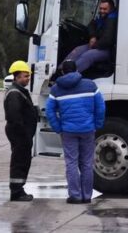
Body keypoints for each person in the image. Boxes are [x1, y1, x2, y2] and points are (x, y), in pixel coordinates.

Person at [46, 59, 106, 204]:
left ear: (63, 71)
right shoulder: (90, 85)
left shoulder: (56, 89)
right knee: (86, 163)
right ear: (77, 70)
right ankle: (86, 196)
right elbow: (101, 106)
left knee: (71, 163)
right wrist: (97, 124)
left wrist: (58, 127)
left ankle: (75, 196)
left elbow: (49, 111)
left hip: (68, 131)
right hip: (87, 130)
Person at [4, 60, 39, 202]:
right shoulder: (14, 93)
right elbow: (14, 116)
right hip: (19, 133)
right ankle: (17, 192)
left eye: (28, 76)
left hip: (22, 133)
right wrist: (24, 134)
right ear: (16, 77)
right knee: (19, 162)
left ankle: (19, 189)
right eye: (25, 76)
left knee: (23, 161)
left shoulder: (19, 91)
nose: (27, 79)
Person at [65, 0, 118, 74]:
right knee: (77, 50)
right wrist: (93, 36)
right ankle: (61, 70)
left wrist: (93, 46)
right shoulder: (102, 17)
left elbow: (107, 40)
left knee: (88, 56)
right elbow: (91, 25)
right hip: (97, 44)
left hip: (108, 49)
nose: (102, 11)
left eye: (105, 9)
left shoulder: (112, 19)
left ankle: (70, 76)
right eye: (101, 8)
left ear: (111, 9)